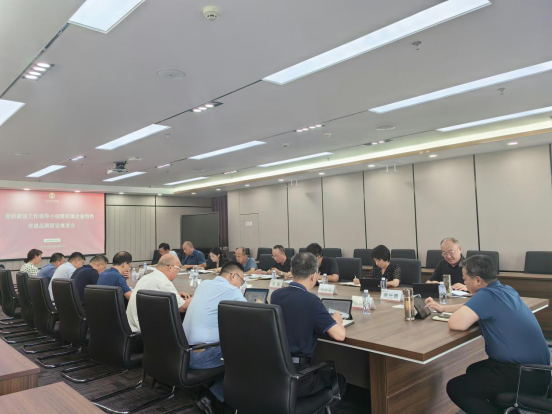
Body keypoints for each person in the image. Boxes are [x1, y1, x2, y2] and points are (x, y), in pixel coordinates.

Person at [425, 255, 550, 414]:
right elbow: (469, 306)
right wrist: (443, 308)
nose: (464, 282)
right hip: (539, 371)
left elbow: (456, 323)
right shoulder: (506, 289)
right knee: (474, 370)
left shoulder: (485, 295)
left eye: (465, 279)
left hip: (521, 374)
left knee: (456, 387)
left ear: (478, 280)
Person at [271, 252, 347, 400]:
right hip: (299, 377)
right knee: (340, 379)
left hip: (275, 371)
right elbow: (340, 335)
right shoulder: (311, 301)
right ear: (314, 276)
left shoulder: (276, 295)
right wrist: (337, 320)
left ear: (291, 271)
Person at [183, 261, 248, 411]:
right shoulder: (232, 291)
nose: (240, 285)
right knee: (248, 355)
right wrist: (258, 303)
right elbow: (251, 314)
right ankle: (211, 396)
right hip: (201, 357)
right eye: (241, 281)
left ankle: (208, 386)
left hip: (182, 353)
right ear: (233, 276)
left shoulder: (203, 284)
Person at [126, 254, 191, 333]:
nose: (177, 273)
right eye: (178, 269)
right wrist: (197, 296)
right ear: (170, 267)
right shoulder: (163, 282)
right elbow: (182, 307)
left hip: (132, 328)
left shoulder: (145, 278)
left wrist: (175, 295)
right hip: (146, 332)